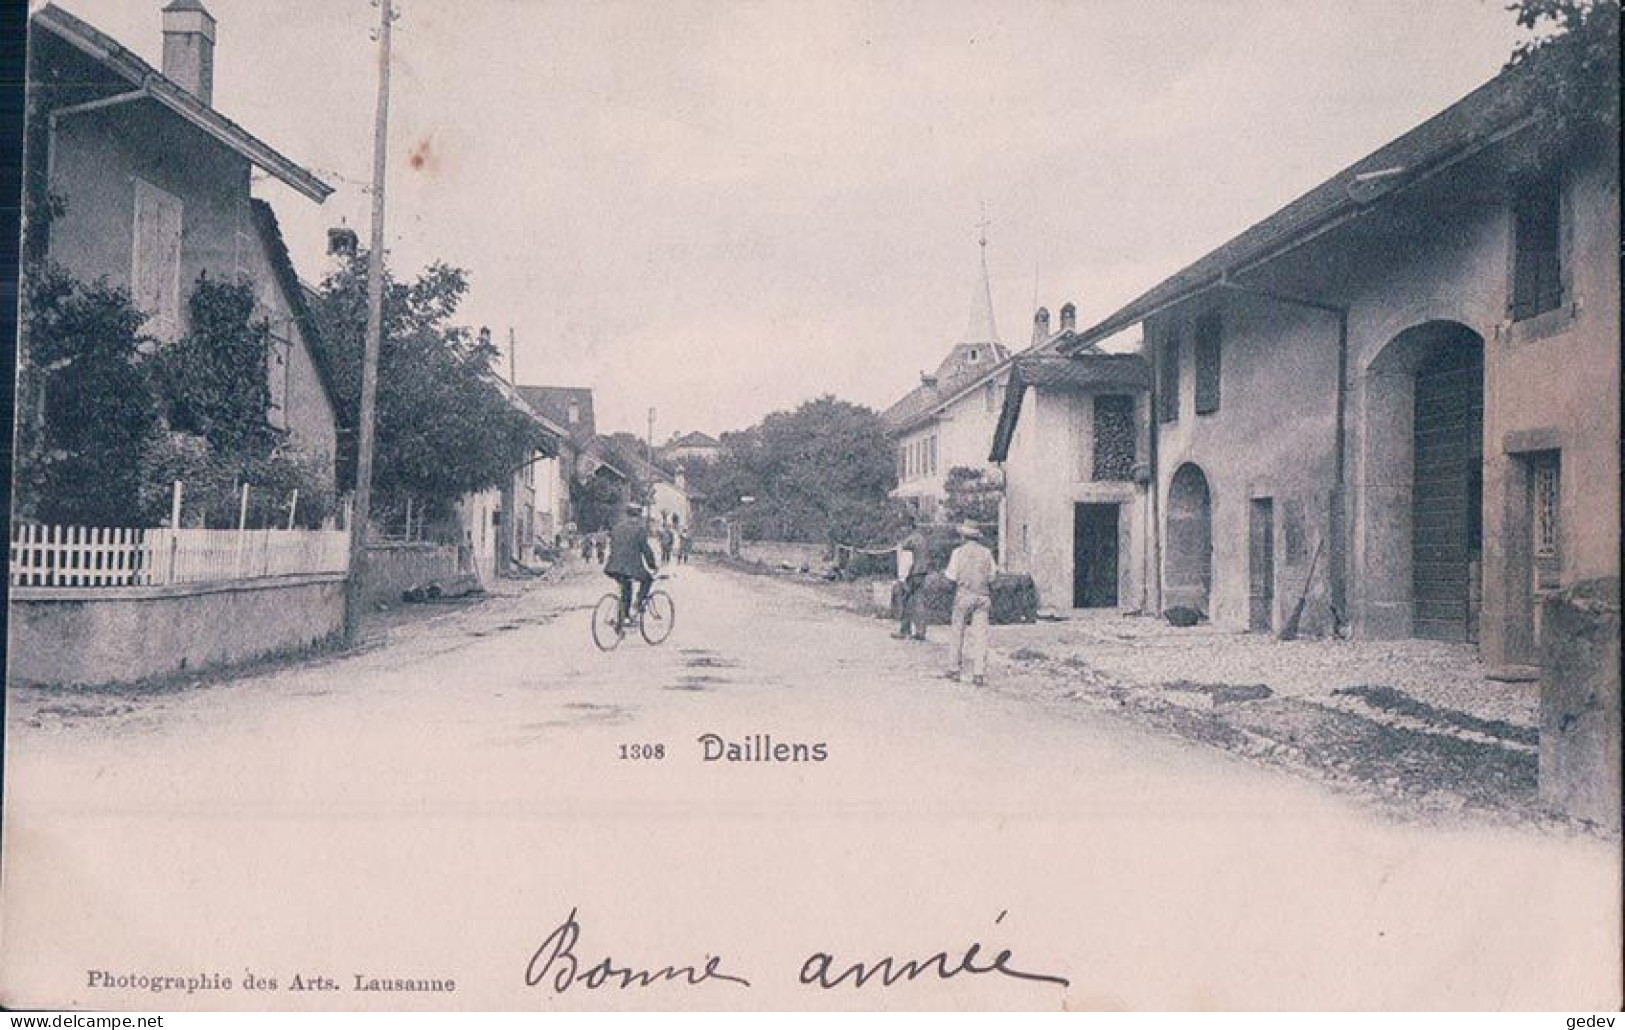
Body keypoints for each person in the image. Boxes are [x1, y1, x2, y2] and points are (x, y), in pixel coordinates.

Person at [944, 523, 997, 685]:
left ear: (963, 537)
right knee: (981, 635)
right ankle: (978, 673)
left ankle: (954, 669)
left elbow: (951, 577)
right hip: (982, 596)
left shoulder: (958, 553)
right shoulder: (987, 553)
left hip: (964, 595)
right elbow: (992, 577)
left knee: (957, 631)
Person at [605, 504, 657, 629]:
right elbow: (645, 549)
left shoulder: (617, 527)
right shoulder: (639, 528)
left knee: (625, 588)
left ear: (626, 514)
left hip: (613, 566)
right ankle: (638, 604)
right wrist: (652, 565)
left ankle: (622, 620)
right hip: (630, 566)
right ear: (638, 515)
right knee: (648, 579)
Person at [893, 516, 931, 641]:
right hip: (922, 573)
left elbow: (906, 562)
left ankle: (904, 631)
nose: (901, 530)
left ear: (908, 526)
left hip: (911, 573)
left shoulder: (909, 541)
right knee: (919, 602)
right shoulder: (922, 539)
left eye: (903, 527)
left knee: (905, 600)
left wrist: (902, 578)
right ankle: (921, 631)